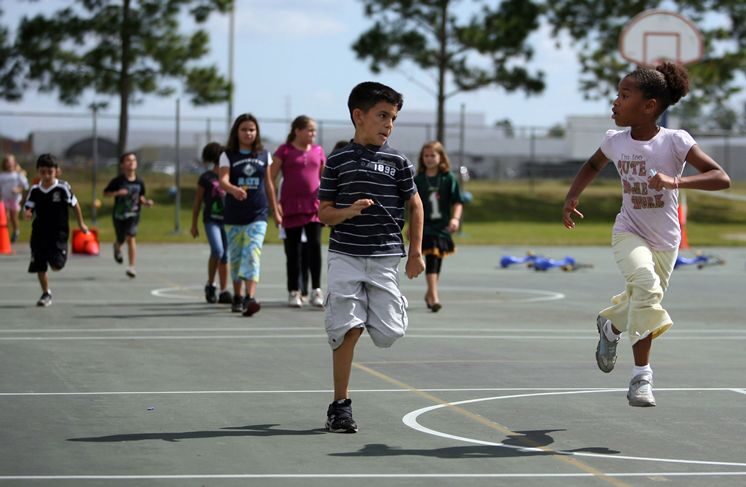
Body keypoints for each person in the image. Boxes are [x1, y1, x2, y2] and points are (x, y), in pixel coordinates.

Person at [562, 62, 730, 407]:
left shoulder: (676, 141)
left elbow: (720, 177)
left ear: (649, 105)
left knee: (644, 300)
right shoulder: (615, 141)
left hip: (666, 241)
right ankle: (642, 378)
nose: (615, 102)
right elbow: (593, 165)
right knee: (646, 286)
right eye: (618, 95)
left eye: (624, 95)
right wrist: (572, 195)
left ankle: (610, 327)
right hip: (629, 232)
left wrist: (676, 180)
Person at [319, 81, 425, 432]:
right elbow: (324, 214)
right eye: (382, 116)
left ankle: (365, 315)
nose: (388, 125)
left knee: (390, 333)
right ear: (358, 116)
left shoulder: (398, 162)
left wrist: (415, 253)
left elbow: (415, 204)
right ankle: (340, 405)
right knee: (346, 329)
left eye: (392, 118)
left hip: (384, 259)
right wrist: (348, 211)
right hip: (345, 256)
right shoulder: (337, 161)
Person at [218, 113, 280, 317]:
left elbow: (269, 185)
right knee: (235, 258)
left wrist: (275, 210)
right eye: (244, 129)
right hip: (234, 216)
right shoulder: (228, 155)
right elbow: (223, 181)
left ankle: (250, 297)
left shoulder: (263, 155)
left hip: (258, 214)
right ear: (237, 132)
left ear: (257, 132)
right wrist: (233, 189)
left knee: (253, 253)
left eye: (252, 129)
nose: (248, 133)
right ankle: (237, 296)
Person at [270, 115, 326, 308]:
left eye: (314, 131)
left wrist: (328, 205)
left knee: (315, 248)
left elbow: (326, 180)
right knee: (293, 252)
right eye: (310, 130)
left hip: (314, 208)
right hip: (290, 208)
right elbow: (270, 178)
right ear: (297, 131)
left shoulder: (318, 151)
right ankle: (294, 291)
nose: (313, 134)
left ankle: (316, 290)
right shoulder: (284, 150)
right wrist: (275, 205)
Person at [24, 154, 88, 306]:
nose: (46, 175)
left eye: (49, 172)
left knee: (56, 266)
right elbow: (28, 207)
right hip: (39, 234)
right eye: (42, 172)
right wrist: (27, 213)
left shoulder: (63, 188)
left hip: (59, 234)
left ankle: (54, 259)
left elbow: (75, 205)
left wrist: (81, 224)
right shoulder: (35, 190)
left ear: (56, 171)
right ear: (38, 172)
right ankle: (46, 293)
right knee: (40, 266)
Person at [413, 141, 464, 312]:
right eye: (426, 156)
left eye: (433, 155)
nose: (429, 159)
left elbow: (457, 201)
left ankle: (430, 292)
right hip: (425, 226)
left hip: (442, 227)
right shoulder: (418, 179)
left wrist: (455, 219)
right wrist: (410, 224)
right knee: (432, 258)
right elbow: (411, 205)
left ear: (441, 157)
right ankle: (434, 296)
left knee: (437, 259)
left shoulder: (448, 178)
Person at [190, 141, 232, 304]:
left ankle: (223, 290)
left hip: (228, 220)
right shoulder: (206, 178)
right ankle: (210, 284)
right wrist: (194, 224)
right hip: (211, 220)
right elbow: (198, 202)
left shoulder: (230, 176)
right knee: (218, 250)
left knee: (225, 256)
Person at [103, 152, 154, 278]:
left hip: (134, 214)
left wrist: (146, 202)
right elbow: (106, 193)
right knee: (121, 238)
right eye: (128, 160)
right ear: (122, 165)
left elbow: (140, 196)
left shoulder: (140, 181)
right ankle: (117, 246)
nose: (131, 162)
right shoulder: (118, 181)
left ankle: (131, 267)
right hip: (119, 215)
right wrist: (117, 193)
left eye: (134, 160)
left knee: (131, 237)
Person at [0, 154, 29, 243]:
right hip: (5, 199)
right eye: (7, 162)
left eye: (11, 161)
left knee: (13, 217)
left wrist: (18, 189)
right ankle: (5, 235)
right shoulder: (2, 175)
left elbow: (26, 185)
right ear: (4, 163)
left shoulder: (18, 174)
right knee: (6, 217)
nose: (9, 164)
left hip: (15, 200)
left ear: (14, 163)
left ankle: (16, 231)